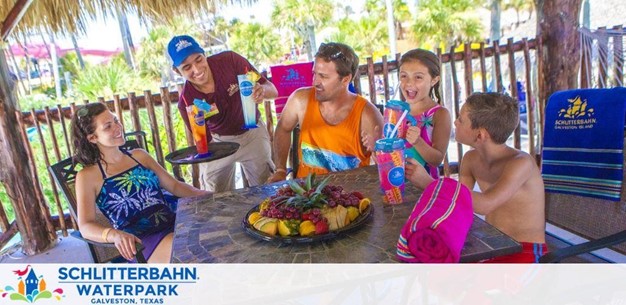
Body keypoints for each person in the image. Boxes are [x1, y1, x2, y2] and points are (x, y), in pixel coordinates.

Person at [406, 92, 546, 263]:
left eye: (461, 119)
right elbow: (458, 203)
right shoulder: (471, 159)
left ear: (480, 135)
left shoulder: (521, 163)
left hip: (525, 251)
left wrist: (430, 183)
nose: (455, 122)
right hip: (491, 246)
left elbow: (485, 204)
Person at [72, 103, 208, 263]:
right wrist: (114, 235)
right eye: (108, 126)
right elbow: (86, 226)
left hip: (175, 222)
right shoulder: (87, 176)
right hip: (142, 242)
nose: (117, 127)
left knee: (216, 237)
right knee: (194, 251)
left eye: (115, 120)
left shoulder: (139, 156)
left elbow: (175, 186)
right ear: (92, 138)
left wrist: (210, 195)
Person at [167, 35, 278, 192]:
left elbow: (271, 89)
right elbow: (204, 141)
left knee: (267, 189)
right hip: (218, 142)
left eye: (199, 60)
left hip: (253, 134)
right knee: (214, 195)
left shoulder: (232, 62)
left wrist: (262, 91)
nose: (197, 70)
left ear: (204, 54)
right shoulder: (188, 101)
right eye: (187, 67)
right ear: (177, 71)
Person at [267, 42, 384, 182]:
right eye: (314, 73)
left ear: (345, 79)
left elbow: (385, 164)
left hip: (349, 197)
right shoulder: (300, 100)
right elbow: (283, 128)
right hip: (306, 196)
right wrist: (280, 170)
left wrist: (380, 153)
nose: (315, 82)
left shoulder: (367, 114)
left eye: (323, 76)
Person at [400, 49, 452, 179]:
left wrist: (418, 142)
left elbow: (437, 160)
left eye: (418, 77)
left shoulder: (439, 114)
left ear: (434, 80)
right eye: (404, 76)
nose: (409, 83)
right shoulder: (397, 112)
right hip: (395, 184)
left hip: (424, 189)